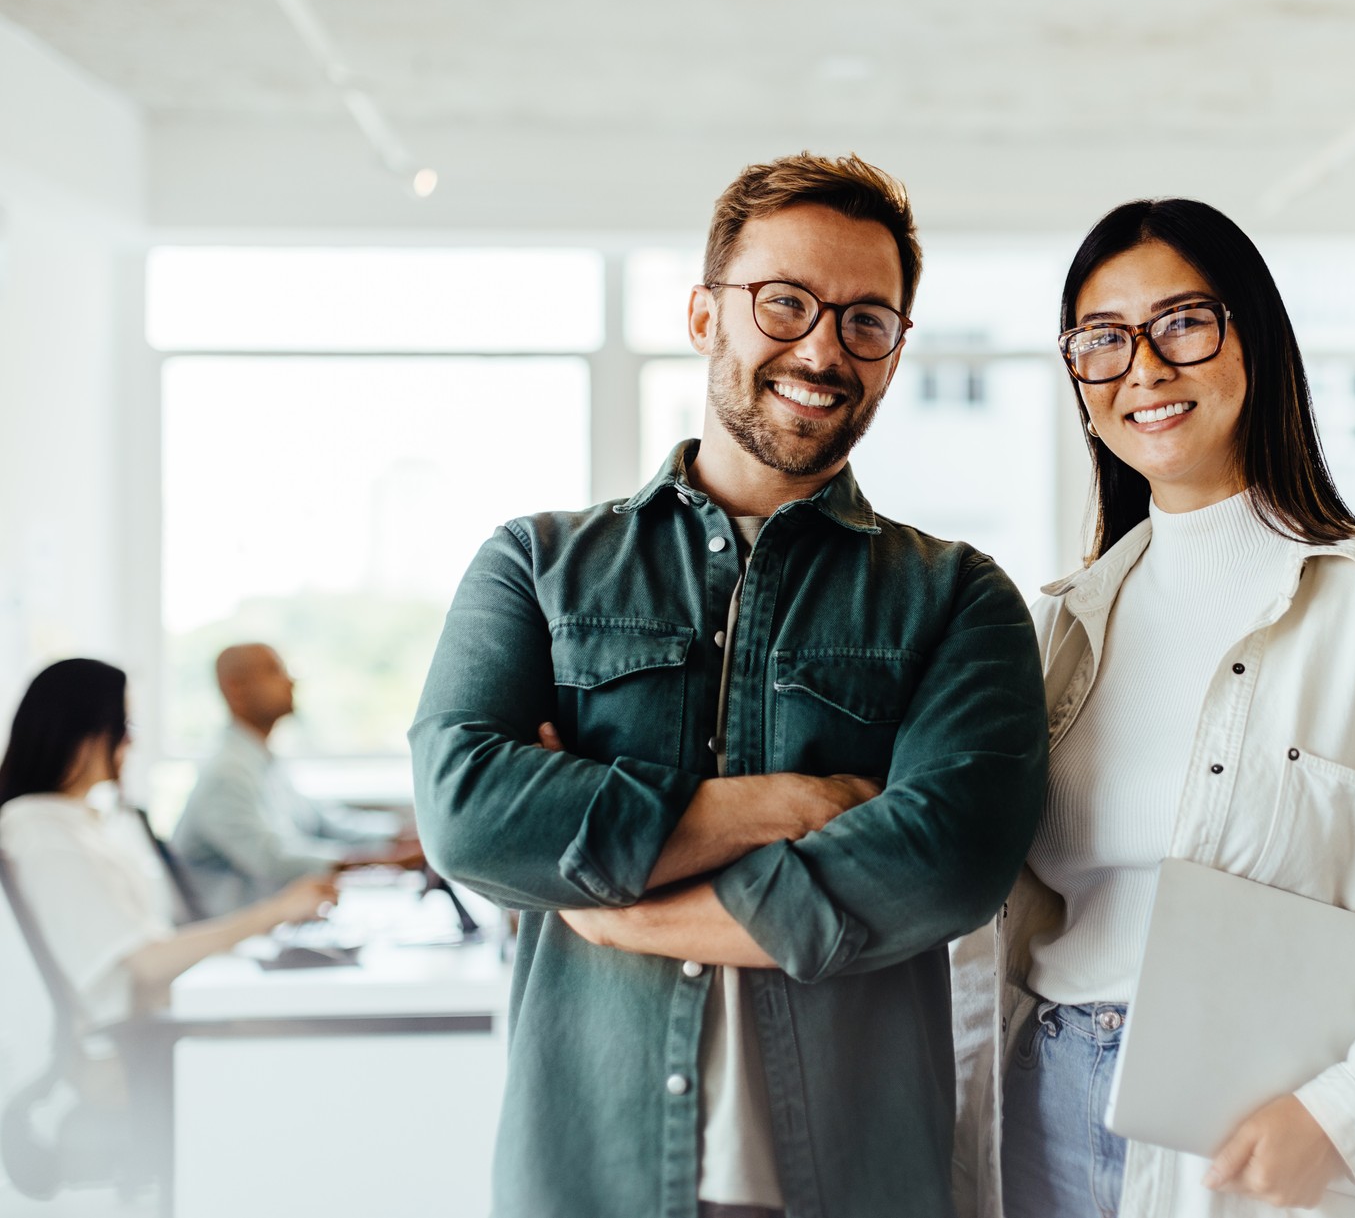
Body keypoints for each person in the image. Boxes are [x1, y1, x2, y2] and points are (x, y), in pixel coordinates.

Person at [410, 153, 1049, 1218]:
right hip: (592, 1181)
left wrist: (621, 910)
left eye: (865, 321)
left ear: (895, 355)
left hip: (852, 1185)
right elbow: (467, 814)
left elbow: (948, 863)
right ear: (706, 315)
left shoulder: (956, 598)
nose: (822, 348)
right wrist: (777, 809)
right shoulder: (534, 564)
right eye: (785, 303)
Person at [950, 199, 1355, 1218]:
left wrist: (1348, 1118)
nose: (1145, 368)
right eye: (1103, 340)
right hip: (1044, 1102)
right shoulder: (1054, 631)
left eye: (1182, 323)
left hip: (1261, 1133)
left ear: (1253, 337)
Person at [0, 658, 335, 1030]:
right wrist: (275, 912)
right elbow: (146, 962)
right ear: (85, 732)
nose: (133, 741)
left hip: (159, 1016)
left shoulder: (80, 822)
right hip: (138, 1037)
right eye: (126, 726)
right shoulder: (42, 833)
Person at [172, 643, 420, 916]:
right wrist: (384, 860)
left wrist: (401, 835)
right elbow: (272, 858)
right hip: (232, 947)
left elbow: (325, 823)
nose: (290, 681)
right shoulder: (226, 773)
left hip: (272, 934)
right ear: (236, 689)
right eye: (274, 671)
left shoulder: (263, 761)